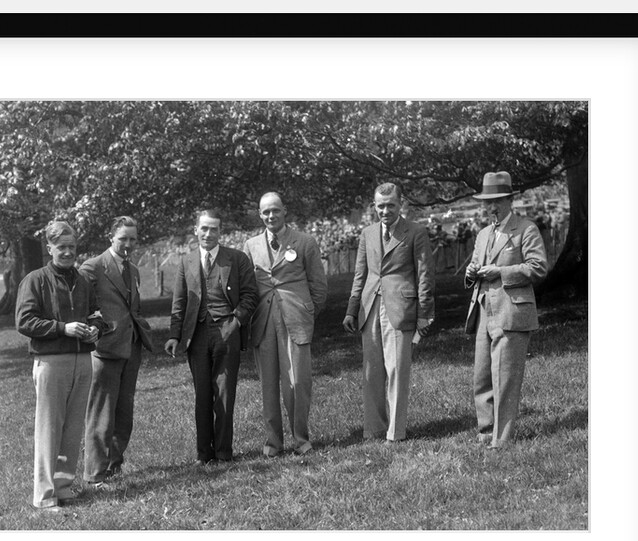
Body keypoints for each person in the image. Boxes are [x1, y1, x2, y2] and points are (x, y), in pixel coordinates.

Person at [15, 221, 102, 514]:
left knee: (73, 428)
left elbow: (96, 314)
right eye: (61, 247)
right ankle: (44, 494)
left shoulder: (83, 280)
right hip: (52, 361)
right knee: (50, 428)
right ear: (49, 248)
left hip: (83, 360)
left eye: (71, 247)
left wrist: (95, 329)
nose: (67, 252)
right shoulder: (35, 280)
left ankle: (63, 488)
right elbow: (24, 321)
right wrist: (63, 328)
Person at [342, 182, 435, 443]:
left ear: (401, 204)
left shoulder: (415, 232)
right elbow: (361, 274)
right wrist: (351, 309)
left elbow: (425, 275)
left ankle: (396, 432)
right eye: (381, 206)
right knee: (371, 371)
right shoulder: (367, 233)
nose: (385, 211)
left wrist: (424, 313)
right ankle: (374, 429)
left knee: (397, 370)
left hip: (400, 307)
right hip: (368, 307)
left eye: (391, 205)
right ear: (374, 206)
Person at [164, 210, 258, 465]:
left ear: (220, 232)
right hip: (197, 334)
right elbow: (180, 302)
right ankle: (204, 454)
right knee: (202, 395)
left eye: (213, 229)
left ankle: (224, 453)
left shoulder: (236, 259)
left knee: (225, 393)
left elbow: (251, 295)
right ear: (195, 230)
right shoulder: (186, 262)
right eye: (204, 228)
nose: (208, 234)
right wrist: (175, 335)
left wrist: (236, 321)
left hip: (227, 332)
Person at [465, 171, 548, 449]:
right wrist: (471, 272)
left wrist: (500, 272)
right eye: (487, 201)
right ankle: (486, 430)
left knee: (506, 376)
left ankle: (502, 438)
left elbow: (538, 267)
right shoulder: (483, 234)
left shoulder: (526, 229)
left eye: (497, 200)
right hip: (482, 310)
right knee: (482, 374)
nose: (491, 206)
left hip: (511, 311)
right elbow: (475, 267)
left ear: (509, 200)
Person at [242, 192, 328, 458]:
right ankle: (273, 442)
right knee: (268, 383)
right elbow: (248, 287)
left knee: (297, 382)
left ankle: (301, 438)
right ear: (260, 214)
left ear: (284, 211)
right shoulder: (251, 245)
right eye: (266, 212)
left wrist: (307, 311)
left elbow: (319, 286)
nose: (271, 216)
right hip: (264, 320)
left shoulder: (304, 242)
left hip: (295, 319)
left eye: (275, 211)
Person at [79, 216, 155, 489]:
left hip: (131, 346)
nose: (128, 244)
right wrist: (95, 329)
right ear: (111, 237)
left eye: (133, 239)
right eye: (123, 238)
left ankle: (114, 465)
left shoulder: (133, 270)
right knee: (101, 412)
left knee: (124, 412)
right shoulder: (93, 267)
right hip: (105, 349)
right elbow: (82, 306)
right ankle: (95, 474)